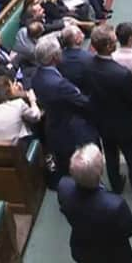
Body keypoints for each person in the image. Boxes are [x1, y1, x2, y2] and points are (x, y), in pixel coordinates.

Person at [82, 25, 132, 199]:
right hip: (124, 123)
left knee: (110, 154)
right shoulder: (122, 74)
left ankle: (116, 185)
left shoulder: (87, 65)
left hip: (102, 121)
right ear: (109, 46)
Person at [58, 144, 132, 263]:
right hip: (114, 257)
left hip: (83, 250)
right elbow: (130, 229)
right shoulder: (115, 205)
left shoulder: (63, 187)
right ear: (100, 171)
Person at [32, 36, 96, 179]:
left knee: (63, 162)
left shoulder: (37, 75)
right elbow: (84, 102)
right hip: (66, 129)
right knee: (70, 167)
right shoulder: (58, 84)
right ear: (54, 57)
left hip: (52, 124)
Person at [0, 76, 41, 142]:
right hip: (18, 147)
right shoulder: (19, 104)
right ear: (9, 90)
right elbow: (36, 116)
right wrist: (32, 101)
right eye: (12, 86)